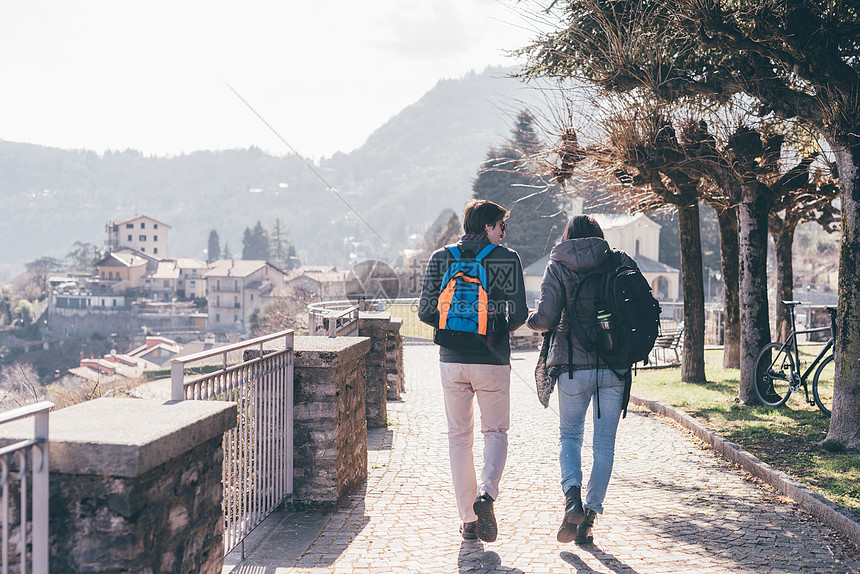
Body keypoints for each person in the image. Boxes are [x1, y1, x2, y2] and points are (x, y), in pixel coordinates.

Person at [418, 199, 527, 543]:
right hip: (492, 360)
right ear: (488, 226)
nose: (503, 233)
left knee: (458, 438)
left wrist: (455, 328)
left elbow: (423, 312)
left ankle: (468, 520)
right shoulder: (506, 259)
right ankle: (486, 496)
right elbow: (520, 314)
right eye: (501, 226)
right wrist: (492, 330)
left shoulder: (441, 257)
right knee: (495, 431)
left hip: (451, 360)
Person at [526, 214, 637, 545]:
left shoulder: (558, 264)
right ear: (599, 235)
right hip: (614, 365)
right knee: (604, 444)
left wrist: (528, 319)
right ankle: (588, 519)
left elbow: (545, 319)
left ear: (568, 235)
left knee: (570, 437)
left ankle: (571, 499)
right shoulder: (614, 261)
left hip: (573, 366)